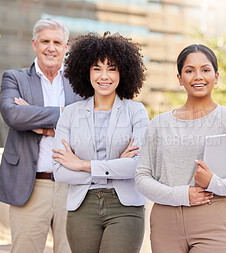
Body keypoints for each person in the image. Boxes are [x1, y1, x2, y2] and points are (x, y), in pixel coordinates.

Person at [135, 44, 226, 253]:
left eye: (205, 69)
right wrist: (181, 195)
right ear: (180, 79)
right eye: (189, 70)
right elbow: (142, 178)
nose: (198, 76)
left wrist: (214, 183)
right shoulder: (159, 123)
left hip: (214, 220)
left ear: (216, 76)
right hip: (166, 222)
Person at [51, 32, 149, 253]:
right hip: (82, 206)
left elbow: (137, 166)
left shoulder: (136, 112)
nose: (104, 76)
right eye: (97, 68)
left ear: (123, 71)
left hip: (125, 207)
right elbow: (60, 171)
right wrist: (115, 165)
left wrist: (82, 164)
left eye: (112, 68)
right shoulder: (70, 114)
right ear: (86, 71)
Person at [0, 18, 81, 253]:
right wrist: (64, 116)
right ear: (34, 44)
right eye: (45, 41)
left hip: (72, 186)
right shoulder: (14, 78)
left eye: (57, 42)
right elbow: (13, 115)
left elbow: (86, 123)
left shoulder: (80, 83)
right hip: (30, 187)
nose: (50, 47)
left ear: (66, 46)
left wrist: (38, 124)